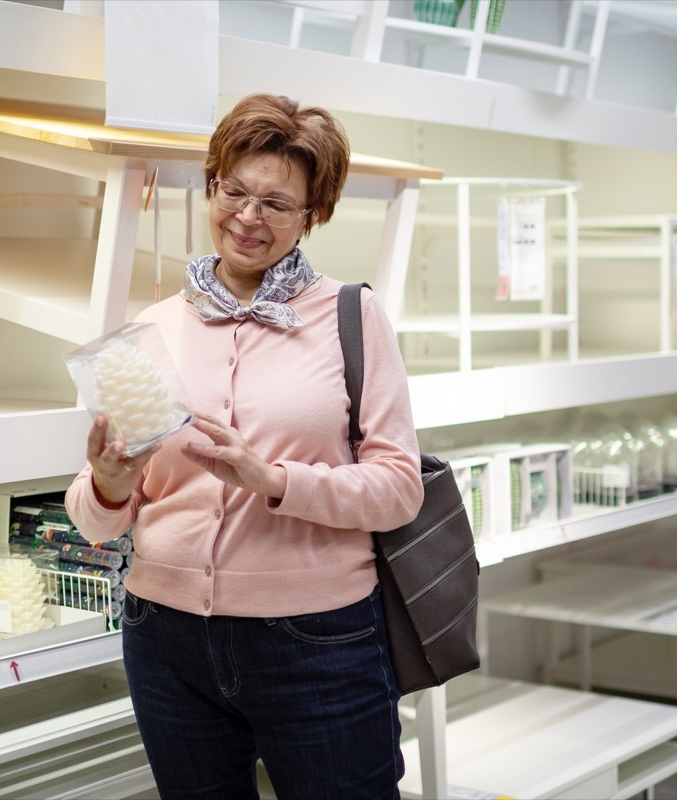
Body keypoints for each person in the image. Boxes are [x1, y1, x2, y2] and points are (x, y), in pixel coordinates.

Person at [64, 94, 425, 799]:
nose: (248, 218)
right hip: (164, 641)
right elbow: (96, 519)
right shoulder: (155, 327)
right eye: (233, 192)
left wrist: (275, 480)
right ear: (211, 185)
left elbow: (398, 487)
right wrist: (107, 484)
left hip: (319, 645)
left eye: (276, 204)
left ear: (313, 214)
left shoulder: (352, 315)